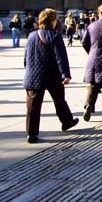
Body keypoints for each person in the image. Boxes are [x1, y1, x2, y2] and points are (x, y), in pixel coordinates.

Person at [23, 8, 78, 143]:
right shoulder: (55, 35)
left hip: (33, 75)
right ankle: (67, 121)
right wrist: (65, 74)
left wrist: (30, 70)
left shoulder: (31, 35)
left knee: (33, 106)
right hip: (51, 75)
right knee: (59, 99)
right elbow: (61, 58)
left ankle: (31, 133)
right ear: (53, 21)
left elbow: (26, 58)